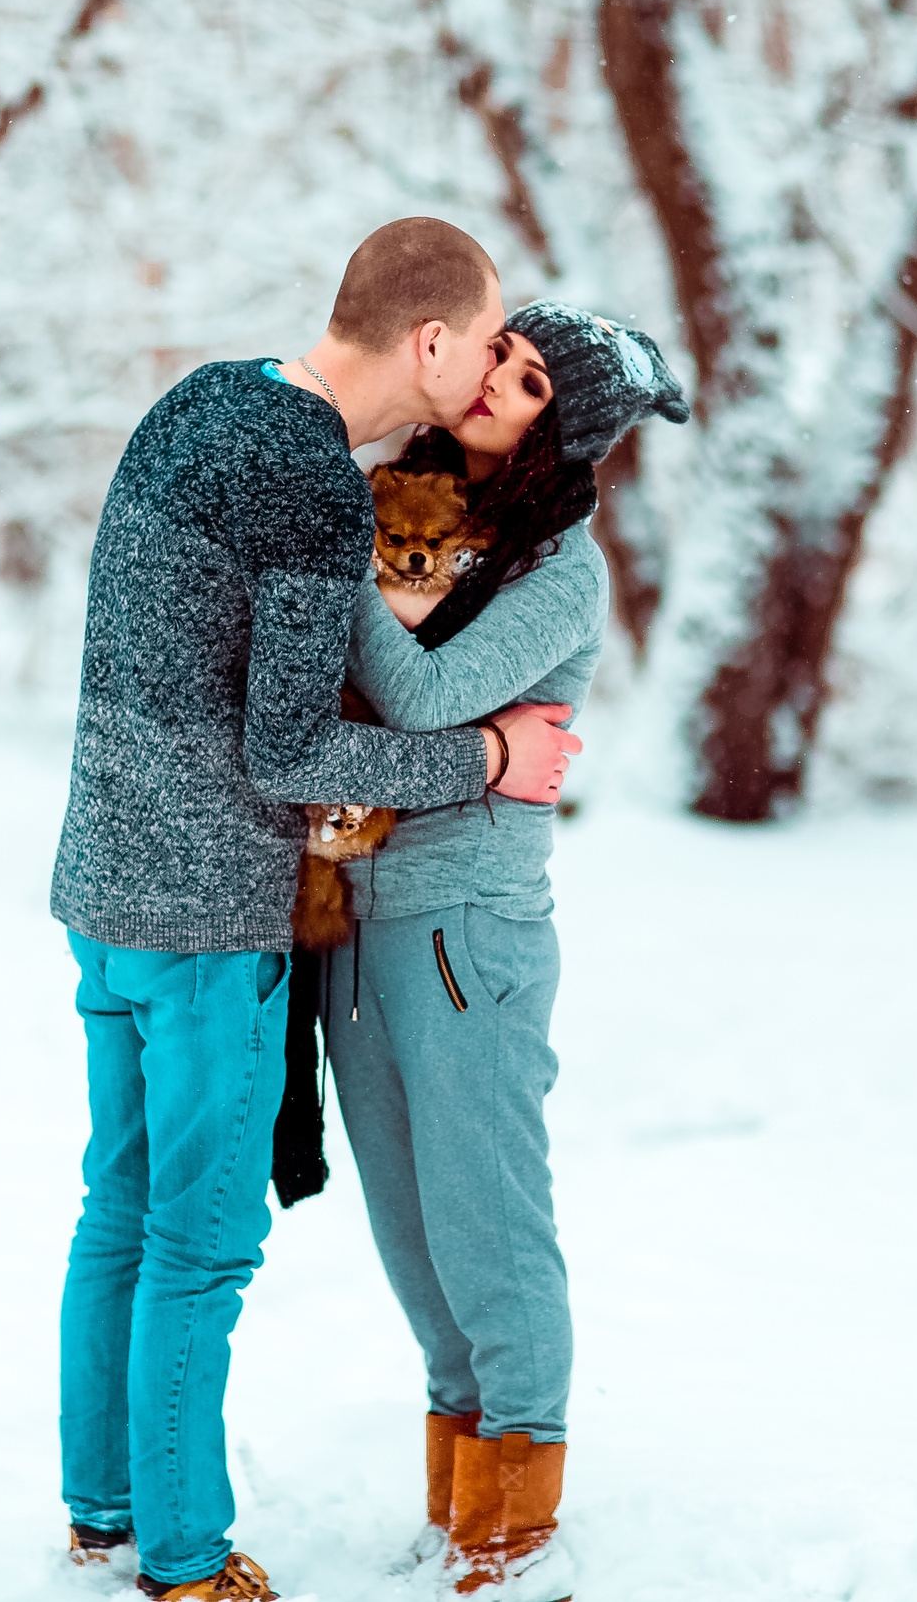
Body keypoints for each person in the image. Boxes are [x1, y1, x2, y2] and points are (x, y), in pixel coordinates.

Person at [46, 219, 583, 1602]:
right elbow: (290, 752)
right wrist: (487, 759)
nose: (480, 376)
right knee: (199, 1240)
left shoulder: (204, 402)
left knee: (120, 1210)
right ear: (427, 343)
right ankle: (183, 1560)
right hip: (207, 917)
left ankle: (104, 1510)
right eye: (480, 343)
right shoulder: (308, 483)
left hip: (105, 892)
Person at [322, 302, 688, 1600]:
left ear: (559, 430)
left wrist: (336, 565)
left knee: (488, 1229)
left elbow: (419, 697)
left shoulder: (555, 570)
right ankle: (459, 1499)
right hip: (358, 919)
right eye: (501, 358)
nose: (499, 388)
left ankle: (519, 1525)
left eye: (534, 382)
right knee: (411, 1242)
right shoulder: (408, 504)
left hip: (464, 925)